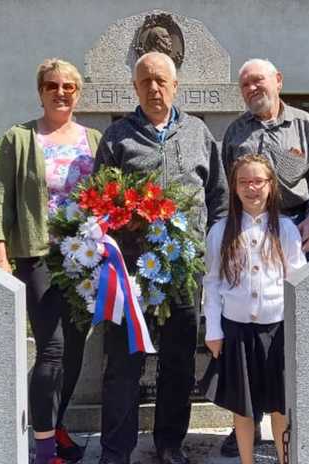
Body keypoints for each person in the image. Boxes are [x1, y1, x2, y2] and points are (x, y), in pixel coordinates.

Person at [94, 51, 228, 464]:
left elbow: (219, 199)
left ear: (175, 85)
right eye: (145, 81)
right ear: (135, 87)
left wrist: (210, 254)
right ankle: (116, 450)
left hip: (183, 271)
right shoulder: (117, 137)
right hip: (131, 274)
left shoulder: (199, 133)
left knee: (178, 362)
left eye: (161, 81)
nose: (154, 88)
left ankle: (170, 444)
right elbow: (99, 202)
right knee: (123, 363)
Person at [0, 58, 102, 464]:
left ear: (78, 93)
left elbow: (106, 196)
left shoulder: (94, 140)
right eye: (52, 86)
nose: (60, 92)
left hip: (85, 259)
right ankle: (44, 449)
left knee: (75, 351)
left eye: (68, 86)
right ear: (40, 92)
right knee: (52, 349)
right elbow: (0, 196)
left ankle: (57, 425)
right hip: (38, 256)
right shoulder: (19, 138)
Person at [219, 57, 309, 456]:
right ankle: (245, 425)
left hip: (295, 231)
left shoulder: (305, 125)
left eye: (259, 80)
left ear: (278, 81)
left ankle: (293, 421)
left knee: (290, 334)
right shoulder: (235, 132)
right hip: (246, 233)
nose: (252, 88)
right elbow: (225, 189)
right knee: (247, 330)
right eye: (245, 84)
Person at [202, 154, 306, 464]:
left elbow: (298, 281)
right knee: (243, 408)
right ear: (234, 187)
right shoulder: (220, 231)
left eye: (258, 181)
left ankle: (284, 459)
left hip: (277, 331)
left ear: (271, 185)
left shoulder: (286, 229)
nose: (251, 188)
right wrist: (213, 330)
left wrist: (299, 332)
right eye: (244, 182)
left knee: (279, 407)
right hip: (237, 332)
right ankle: (247, 460)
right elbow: (212, 283)